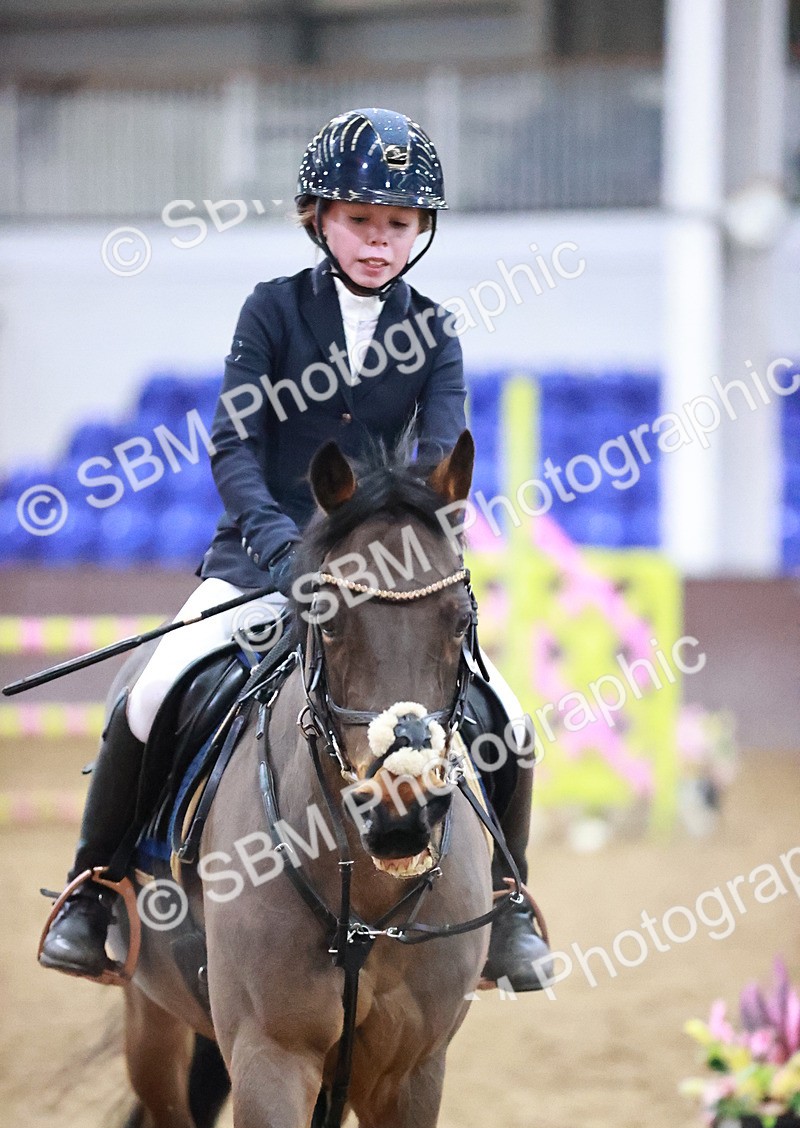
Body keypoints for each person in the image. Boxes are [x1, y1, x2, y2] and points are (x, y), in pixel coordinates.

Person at [40, 108, 550, 990]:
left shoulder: (434, 331)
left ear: (421, 232)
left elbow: (439, 464)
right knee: (149, 690)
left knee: (512, 722)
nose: (380, 242)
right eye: (361, 221)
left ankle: (504, 903)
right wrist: (284, 554)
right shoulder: (273, 310)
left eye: (400, 225)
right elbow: (233, 445)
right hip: (261, 561)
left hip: (388, 581)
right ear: (318, 215)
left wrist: (403, 555)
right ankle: (97, 887)